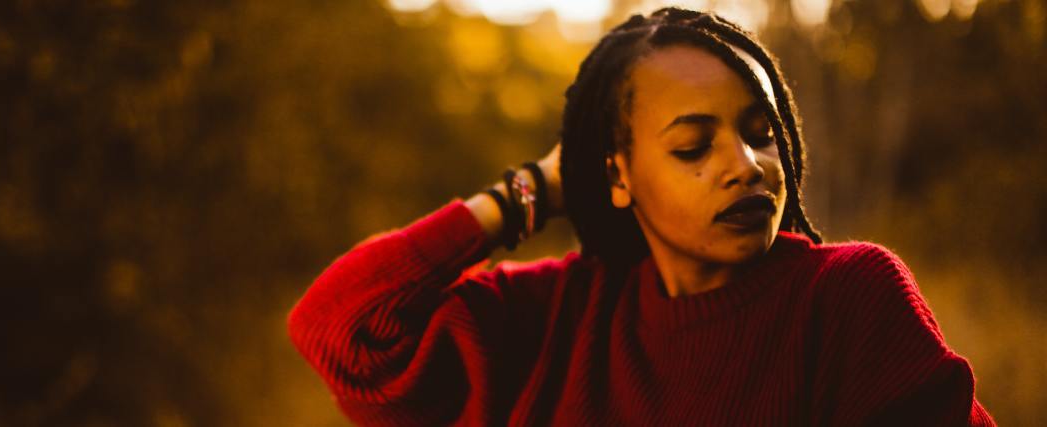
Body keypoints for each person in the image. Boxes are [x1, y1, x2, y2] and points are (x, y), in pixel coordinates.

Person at [288, 8, 995, 426]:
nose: (745, 163)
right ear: (618, 175)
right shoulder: (558, 314)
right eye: (693, 145)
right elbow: (340, 328)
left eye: (762, 131)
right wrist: (530, 190)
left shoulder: (846, 297)